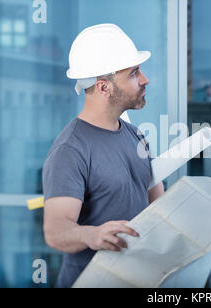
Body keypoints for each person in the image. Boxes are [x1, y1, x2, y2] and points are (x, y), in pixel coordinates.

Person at [42, 24, 164, 288]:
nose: (145, 80)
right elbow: (55, 231)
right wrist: (93, 234)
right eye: (133, 73)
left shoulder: (136, 136)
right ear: (103, 87)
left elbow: (160, 208)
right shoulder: (71, 150)